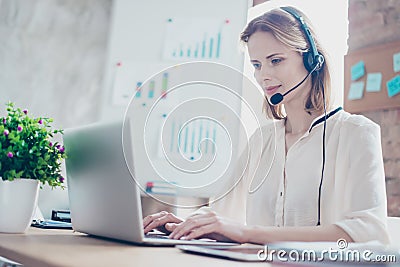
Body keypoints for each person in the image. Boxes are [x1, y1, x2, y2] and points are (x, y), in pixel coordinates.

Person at [143, 6, 389, 245]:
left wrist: (248, 233)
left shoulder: (356, 133)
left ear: (311, 60)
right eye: (257, 65)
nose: (263, 76)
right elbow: (222, 212)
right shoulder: (262, 141)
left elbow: (369, 231)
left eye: (276, 60)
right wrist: (183, 224)